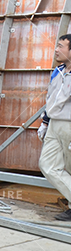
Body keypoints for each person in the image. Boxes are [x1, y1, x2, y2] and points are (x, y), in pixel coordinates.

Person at [38, 34, 71, 221]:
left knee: (70, 167)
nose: (56, 50)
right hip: (54, 124)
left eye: (61, 47)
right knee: (47, 164)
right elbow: (50, 98)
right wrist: (45, 122)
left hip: (69, 124)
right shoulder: (58, 71)